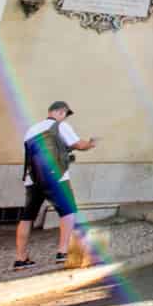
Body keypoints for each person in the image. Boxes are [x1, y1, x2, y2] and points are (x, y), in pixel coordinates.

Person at [15, 101, 95, 270]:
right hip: (57, 178)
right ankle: (62, 252)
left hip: (33, 179)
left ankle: (21, 259)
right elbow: (78, 145)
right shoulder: (61, 126)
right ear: (59, 112)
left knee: (27, 217)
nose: (65, 117)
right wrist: (90, 144)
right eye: (65, 113)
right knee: (68, 213)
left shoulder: (32, 130)